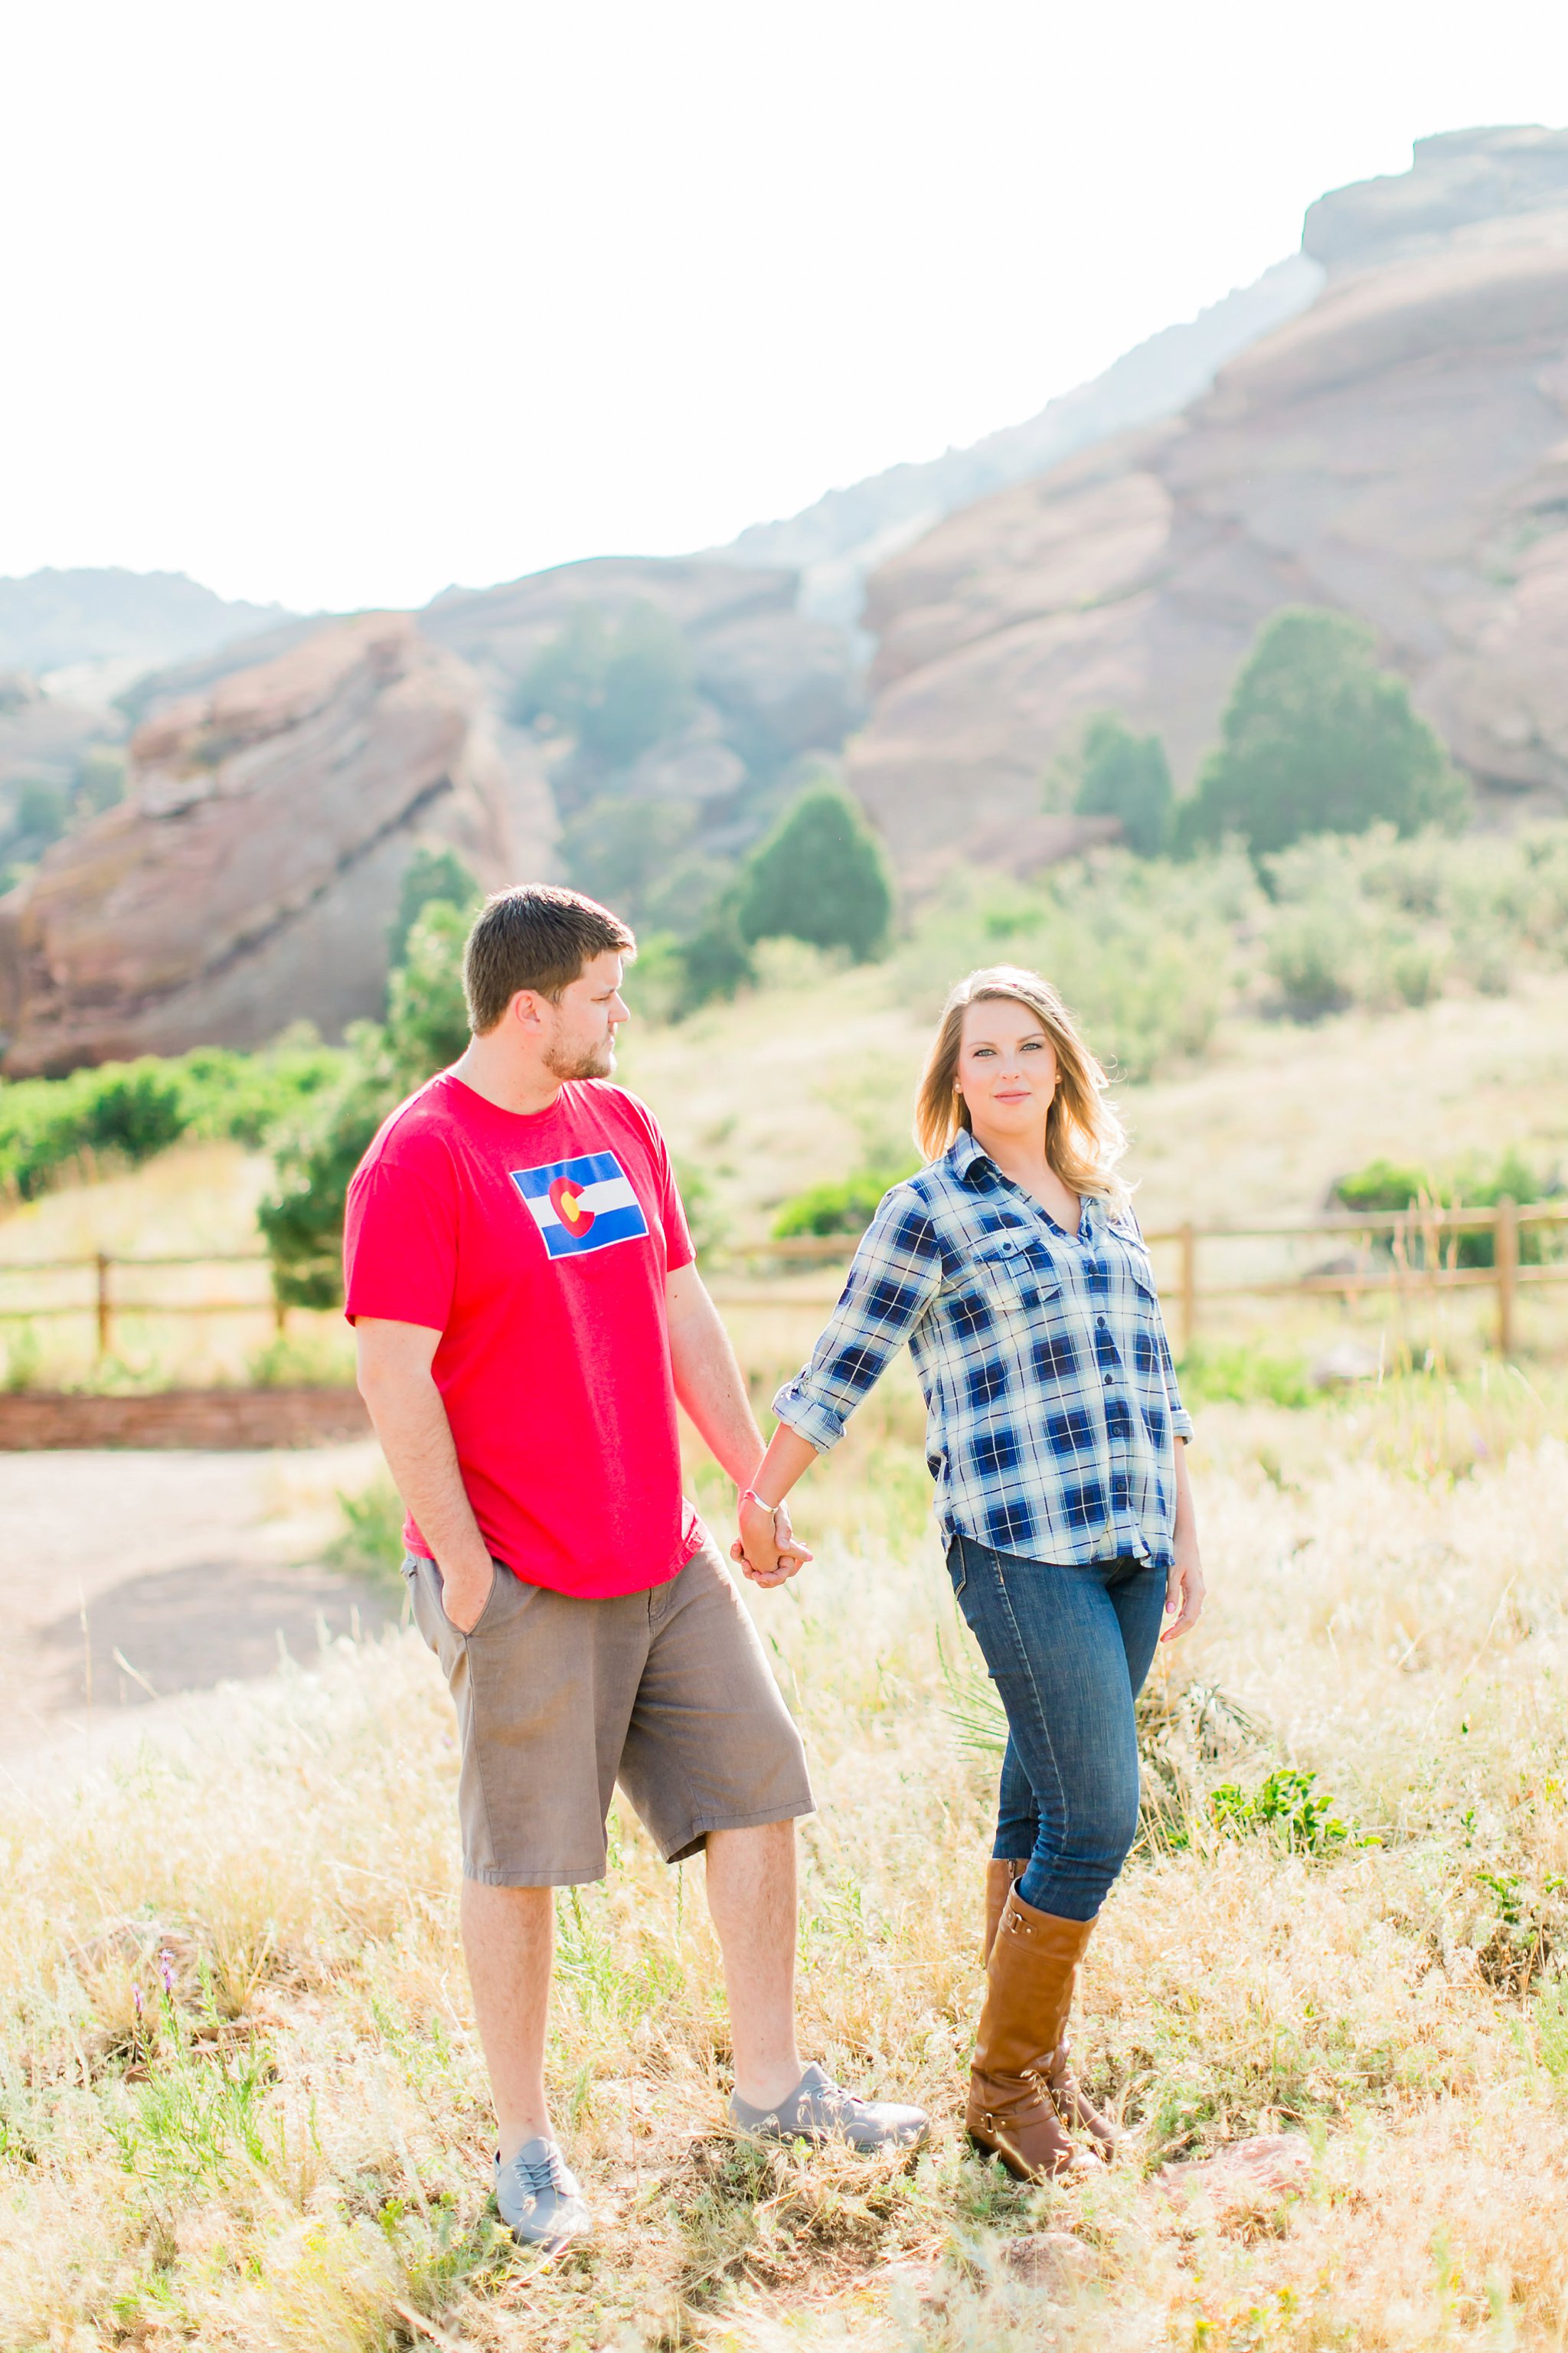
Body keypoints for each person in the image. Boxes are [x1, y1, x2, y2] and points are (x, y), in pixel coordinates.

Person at [343, 884, 926, 2249]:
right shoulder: (421, 1158)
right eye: (606, 996)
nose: (625, 1019)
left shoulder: (622, 1124)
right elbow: (392, 1375)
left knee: (759, 1786)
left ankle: (775, 2088)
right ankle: (528, 2148)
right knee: (524, 1859)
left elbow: (676, 1302)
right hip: (522, 1576)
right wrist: (473, 1575)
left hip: (658, 1557)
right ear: (529, 1006)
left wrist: (745, 1474)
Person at [732, 965, 1204, 2181]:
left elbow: (1160, 1387)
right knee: (1098, 1818)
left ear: (1061, 1065)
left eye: (1027, 1046)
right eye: (981, 1051)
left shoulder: (1106, 1202)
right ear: (954, 1079)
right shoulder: (931, 1208)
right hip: (1017, 1546)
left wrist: (1188, 1536)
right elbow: (845, 1359)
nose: (1006, 1068)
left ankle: (1040, 2071)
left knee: (1040, 1810)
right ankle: (1003, 2086)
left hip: (1132, 1544)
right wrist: (762, 1491)